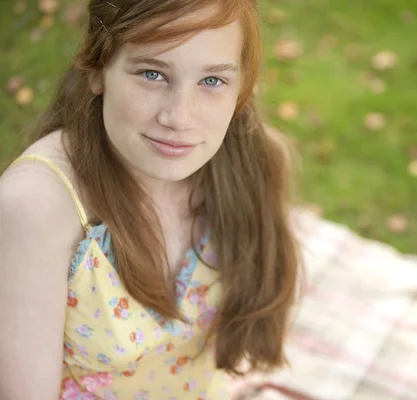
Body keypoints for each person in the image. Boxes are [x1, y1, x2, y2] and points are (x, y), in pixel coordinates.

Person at [0, 0, 301, 398]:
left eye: (212, 81)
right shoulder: (34, 208)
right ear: (97, 68)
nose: (179, 118)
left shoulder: (245, 164)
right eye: (153, 73)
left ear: (241, 85)